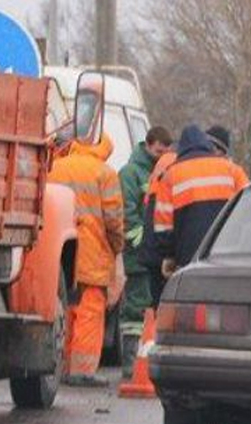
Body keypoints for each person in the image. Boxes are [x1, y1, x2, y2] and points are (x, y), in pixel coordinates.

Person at [49, 132, 124, 387]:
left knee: (67, 308)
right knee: (90, 312)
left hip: (60, 249)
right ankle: (82, 370)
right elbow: (114, 220)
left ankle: (62, 365)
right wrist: (118, 247)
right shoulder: (105, 174)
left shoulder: (56, 166)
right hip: (93, 252)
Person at [153, 124, 249, 278]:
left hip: (189, 261)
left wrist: (169, 255)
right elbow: (249, 211)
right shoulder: (233, 170)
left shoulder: (170, 175)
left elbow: (163, 228)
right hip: (227, 256)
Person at [117, 125, 174, 376]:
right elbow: (128, 215)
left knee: (152, 310)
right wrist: (144, 243)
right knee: (135, 311)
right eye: (158, 151)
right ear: (148, 145)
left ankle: (145, 362)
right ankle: (131, 363)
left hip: (154, 256)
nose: (160, 156)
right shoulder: (130, 174)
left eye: (164, 152)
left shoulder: (161, 173)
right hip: (138, 255)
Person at [139, 147, 177, 307]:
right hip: (161, 257)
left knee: (155, 303)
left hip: (151, 253)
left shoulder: (156, 183)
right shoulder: (172, 180)